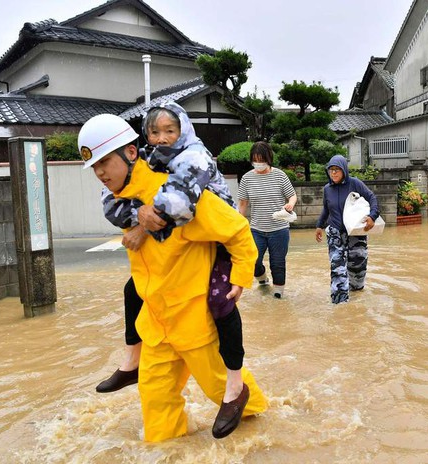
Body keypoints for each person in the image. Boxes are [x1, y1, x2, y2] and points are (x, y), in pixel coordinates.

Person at [78, 114, 267, 441]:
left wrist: (240, 276)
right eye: (94, 166)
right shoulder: (123, 202)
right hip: (156, 325)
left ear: (131, 154)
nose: (99, 172)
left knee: (227, 393)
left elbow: (236, 228)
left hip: (195, 322)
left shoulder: (180, 194)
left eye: (105, 162)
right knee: (155, 402)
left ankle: (267, 439)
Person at [96, 102, 246, 406]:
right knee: (133, 290)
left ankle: (236, 383)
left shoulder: (195, 155)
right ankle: (131, 360)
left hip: (218, 242)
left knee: (221, 300)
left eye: (169, 130)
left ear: (183, 131)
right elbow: (113, 203)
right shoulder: (149, 160)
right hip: (174, 264)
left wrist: (141, 225)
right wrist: (139, 213)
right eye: (154, 132)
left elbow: (180, 202)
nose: (161, 137)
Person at [315, 155, 379, 304]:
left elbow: (372, 198)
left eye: (337, 170)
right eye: (331, 170)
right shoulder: (327, 189)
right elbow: (326, 209)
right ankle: (340, 304)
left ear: (344, 170)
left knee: (358, 267)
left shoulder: (355, 184)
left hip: (355, 232)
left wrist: (372, 216)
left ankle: (356, 295)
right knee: (337, 268)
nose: (334, 173)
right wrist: (319, 225)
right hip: (335, 232)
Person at [237, 141, 297, 299]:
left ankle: (278, 295)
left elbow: (292, 195)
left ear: (269, 158)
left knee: (278, 263)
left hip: (279, 230)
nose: (258, 163)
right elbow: (243, 203)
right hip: (256, 229)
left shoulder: (280, 175)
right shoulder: (247, 178)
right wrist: (238, 224)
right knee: (253, 261)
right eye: (255, 160)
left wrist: (290, 204)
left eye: (261, 160)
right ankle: (263, 279)